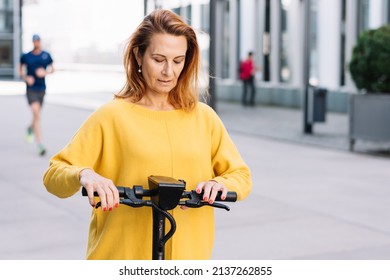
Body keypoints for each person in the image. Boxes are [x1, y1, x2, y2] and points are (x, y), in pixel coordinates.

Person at [43, 9, 252, 260]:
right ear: (138, 55)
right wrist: (84, 174)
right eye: (159, 59)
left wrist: (219, 184)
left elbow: (240, 176)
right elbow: (54, 174)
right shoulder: (111, 116)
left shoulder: (204, 117)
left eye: (178, 60)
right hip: (121, 258)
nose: (168, 72)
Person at [20, 34, 54, 156]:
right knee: (36, 113)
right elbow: (20, 71)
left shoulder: (46, 55)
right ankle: (40, 144)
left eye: (38, 40)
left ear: (40, 41)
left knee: (37, 117)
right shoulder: (26, 56)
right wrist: (26, 78)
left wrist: (44, 72)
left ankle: (30, 128)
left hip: (41, 89)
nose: (36, 43)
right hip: (31, 89)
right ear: (32, 42)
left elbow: (53, 69)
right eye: (34, 41)